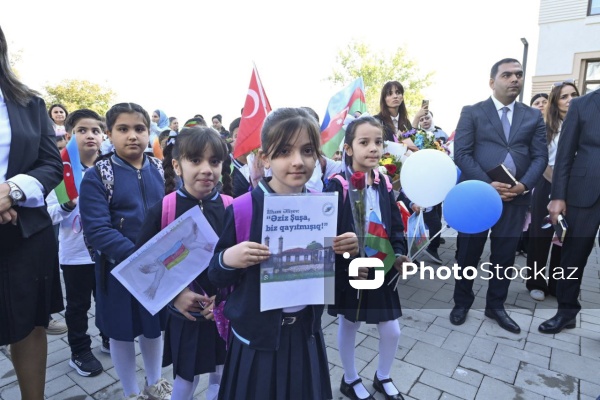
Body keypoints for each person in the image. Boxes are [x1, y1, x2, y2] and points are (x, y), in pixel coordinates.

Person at [208, 107, 358, 400]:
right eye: (284, 151)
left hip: (305, 337)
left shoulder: (326, 207)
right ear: (265, 157)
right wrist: (229, 259)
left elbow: (339, 279)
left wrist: (349, 252)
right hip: (256, 342)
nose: (297, 161)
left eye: (307, 150)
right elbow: (213, 274)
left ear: (318, 156)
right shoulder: (241, 209)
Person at [79, 103, 172, 399]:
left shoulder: (162, 170)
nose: (132, 136)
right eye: (123, 129)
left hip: (157, 268)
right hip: (118, 270)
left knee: (153, 327)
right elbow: (97, 229)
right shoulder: (98, 176)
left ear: (149, 132)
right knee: (121, 332)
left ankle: (155, 384)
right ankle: (131, 393)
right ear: (109, 133)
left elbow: (174, 214)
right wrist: (137, 256)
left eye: (139, 129)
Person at [451, 58, 547, 334]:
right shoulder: (472, 112)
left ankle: (496, 306)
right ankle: (461, 302)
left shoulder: (532, 116)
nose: (515, 79)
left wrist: (523, 186)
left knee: (504, 256)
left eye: (518, 74)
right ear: (492, 82)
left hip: (515, 198)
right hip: (478, 197)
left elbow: (540, 157)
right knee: (468, 252)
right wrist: (486, 185)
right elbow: (462, 154)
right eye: (507, 75)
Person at [137, 128, 232, 400]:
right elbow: (141, 266)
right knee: (185, 379)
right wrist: (175, 296)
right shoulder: (164, 209)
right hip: (186, 316)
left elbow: (241, 259)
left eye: (214, 161)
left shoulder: (231, 207)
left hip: (224, 311)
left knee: (222, 373)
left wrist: (223, 298)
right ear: (177, 166)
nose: (206, 169)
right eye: (195, 160)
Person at [0, 25, 64, 400]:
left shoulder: (29, 102)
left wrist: (10, 191)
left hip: (26, 233)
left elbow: (50, 164)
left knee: (29, 323)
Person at [325, 116, 408, 400]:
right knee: (351, 323)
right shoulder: (338, 185)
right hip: (352, 271)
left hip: (381, 267)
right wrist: (347, 252)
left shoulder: (384, 182)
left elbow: (395, 224)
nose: (373, 148)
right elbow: (329, 234)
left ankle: (383, 375)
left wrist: (399, 254)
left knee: (392, 330)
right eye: (364, 142)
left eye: (378, 142)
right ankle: (350, 379)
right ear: (348, 148)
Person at [46, 109, 110, 377]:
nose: (90, 136)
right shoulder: (59, 171)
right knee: (78, 306)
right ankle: (80, 351)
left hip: (106, 251)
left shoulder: (110, 167)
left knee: (106, 299)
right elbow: (47, 213)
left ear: (103, 135)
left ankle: (110, 336)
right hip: (75, 255)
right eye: (82, 130)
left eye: (95, 130)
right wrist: (67, 203)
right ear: (70, 135)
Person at [540, 87, 600, 334]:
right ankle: (566, 311)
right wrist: (558, 196)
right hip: (583, 192)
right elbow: (564, 155)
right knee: (573, 256)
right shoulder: (582, 104)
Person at [526, 83, 579, 302]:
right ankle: (536, 282)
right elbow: (541, 160)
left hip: (575, 187)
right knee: (541, 236)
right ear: (555, 101)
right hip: (547, 182)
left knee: (564, 237)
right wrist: (558, 186)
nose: (569, 99)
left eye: (574, 95)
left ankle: (557, 283)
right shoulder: (545, 125)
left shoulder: (582, 123)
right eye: (564, 96)